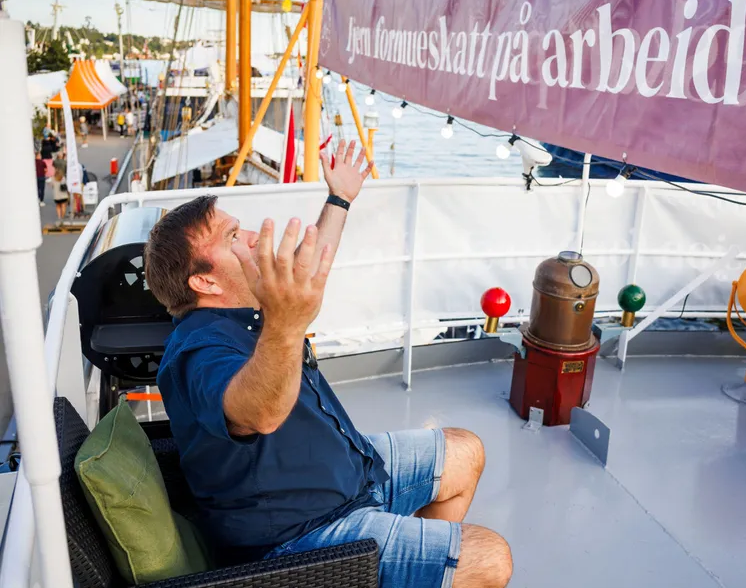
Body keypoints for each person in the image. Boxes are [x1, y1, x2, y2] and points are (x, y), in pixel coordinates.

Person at [144, 140, 512, 588]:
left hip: (349, 473)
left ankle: (414, 572)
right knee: (489, 559)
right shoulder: (197, 350)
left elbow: (310, 265)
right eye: (233, 237)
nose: (256, 236)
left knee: (465, 450)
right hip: (301, 534)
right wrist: (285, 322)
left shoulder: (247, 306)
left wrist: (340, 198)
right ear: (204, 281)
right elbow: (257, 413)